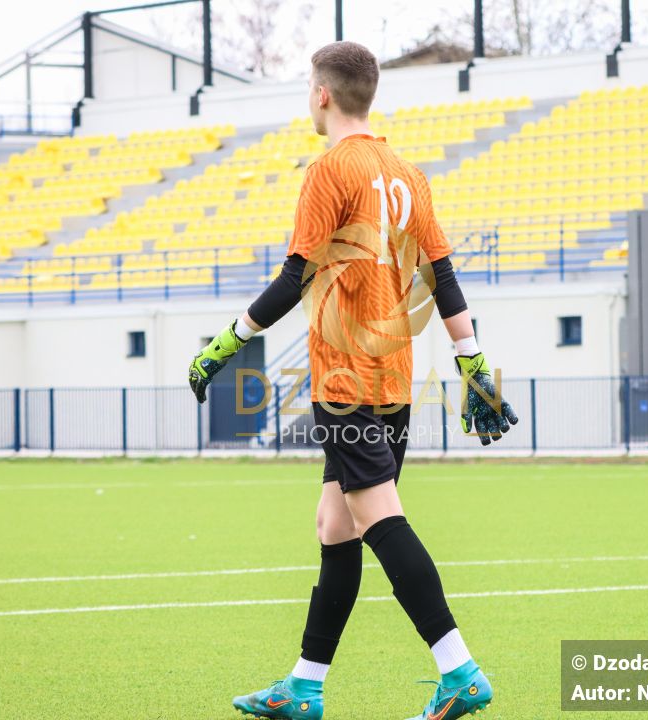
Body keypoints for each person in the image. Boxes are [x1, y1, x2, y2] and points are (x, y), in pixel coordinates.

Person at [188, 40, 518, 720]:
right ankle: (304, 687)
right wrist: (473, 362)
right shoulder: (408, 174)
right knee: (334, 525)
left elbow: (294, 277)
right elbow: (444, 281)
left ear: (322, 95)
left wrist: (229, 342)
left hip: (345, 379)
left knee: (377, 517)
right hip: (393, 380)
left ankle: (458, 669)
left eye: (308, 87)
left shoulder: (330, 171)